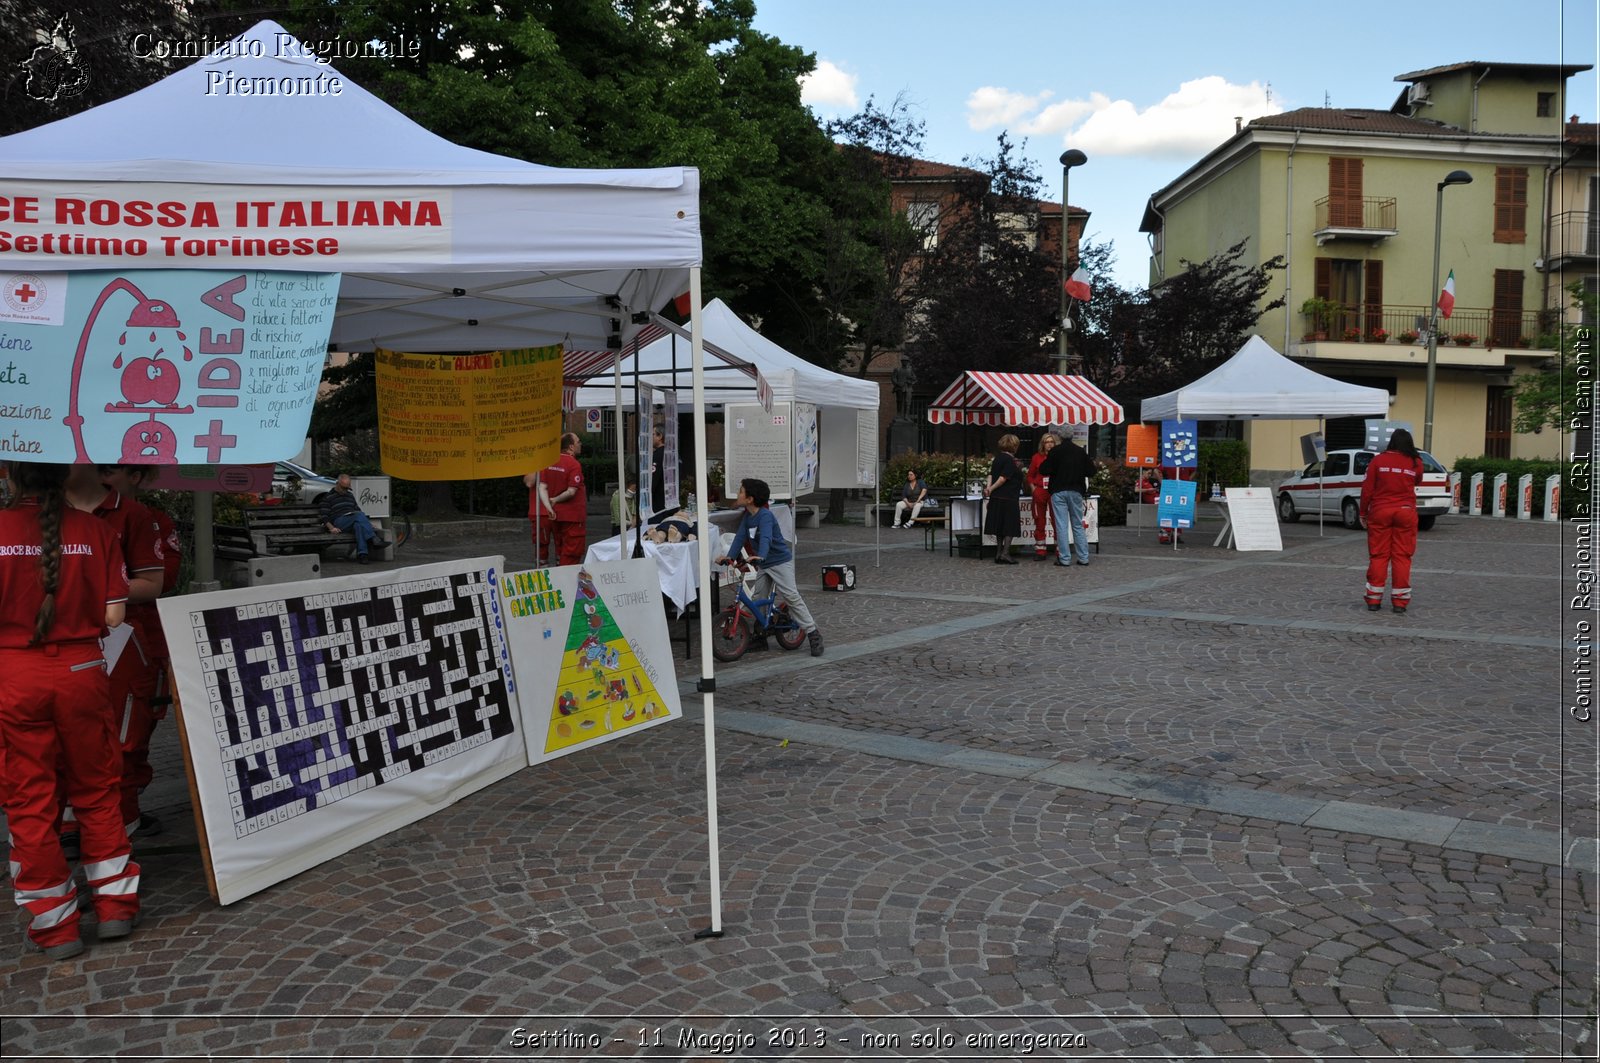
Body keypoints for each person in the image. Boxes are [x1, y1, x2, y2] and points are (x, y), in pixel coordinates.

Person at [0, 462, 141, 959]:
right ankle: (115, 908)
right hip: (82, 670)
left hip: (13, 674)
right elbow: (114, 614)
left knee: (28, 800)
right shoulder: (95, 530)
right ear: (63, 478)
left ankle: (56, 927)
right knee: (97, 788)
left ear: (9, 476)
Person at [63, 464, 165, 843]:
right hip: (54, 648)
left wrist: (91, 595)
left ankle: (113, 840)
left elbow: (152, 582)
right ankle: (69, 828)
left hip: (117, 642)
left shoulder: (133, 515)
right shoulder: (37, 512)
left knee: (119, 741)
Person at [99, 464, 184, 838]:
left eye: (109, 471)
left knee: (134, 733)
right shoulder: (60, 516)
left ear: (134, 476)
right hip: (80, 644)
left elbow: (164, 578)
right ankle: (81, 823)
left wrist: (92, 586)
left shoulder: (149, 519)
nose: (100, 478)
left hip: (137, 641)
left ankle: (125, 814)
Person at [716, 478, 824, 657]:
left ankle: (813, 632)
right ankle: (760, 636)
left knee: (791, 595)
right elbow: (739, 538)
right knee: (759, 597)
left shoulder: (765, 516)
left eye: (741, 491)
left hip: (779, 561)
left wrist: (761, 556)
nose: (738, 494)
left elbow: (766, 537)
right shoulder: (747, 516)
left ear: (750, 499)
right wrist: (729, 557)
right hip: (764, 563)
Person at [1360, 428, 1423, 613]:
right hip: (1405, 512)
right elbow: (1417, 482)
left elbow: (1367, 489)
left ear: (1391, 442)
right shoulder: (1415, 462)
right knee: (1402, 556)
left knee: (1379, 555)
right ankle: (1399, 602)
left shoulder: (1378, 460)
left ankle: (1373, 599)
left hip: (1380, 512)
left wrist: (1363, 513)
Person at [526, 433, 586, 566]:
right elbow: (530, 482)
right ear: (570, 447)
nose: (580, 444)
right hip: (551, 513)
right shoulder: (565, 463)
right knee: (560, 549)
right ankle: (552, 574)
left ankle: (554, 572)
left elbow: (545, 487)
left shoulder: (556, 462)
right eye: (578, 441)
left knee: (561, 547)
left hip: (555, 512)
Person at [1040, 433, 1093, 566]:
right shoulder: (1080, 451)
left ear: (1061, 437)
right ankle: (1083, 557)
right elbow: (1091, 471)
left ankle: (1064, 558)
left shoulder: (1055, 452)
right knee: (1077, 525)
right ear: (1072, 436)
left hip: (1058, 491)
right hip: (1076, 490)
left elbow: (1043, 469)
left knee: (1061, 525)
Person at [318, 474, 386, 564]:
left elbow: (357, 509)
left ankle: (363, 555)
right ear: (337, 484)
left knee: (359, 526)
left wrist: (367, 524)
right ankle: (373, 538)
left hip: (354, 519)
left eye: (347, 488)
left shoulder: (350, 495)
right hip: (339, 522)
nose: (345, 490)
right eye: (343, 488)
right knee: (359, 515)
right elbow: (324, 516)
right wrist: (331, 528)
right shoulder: (328, 497)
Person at [982, 434, 1024, 564]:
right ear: (1014, 446)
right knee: (1009, 526)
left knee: (999, 526)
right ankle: (1005, 553)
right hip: (1008, 497)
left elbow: (991, 475)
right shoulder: (1010, 460)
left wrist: (989, 488)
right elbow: (1003, 478)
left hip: (996, 498)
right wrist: (992, 488)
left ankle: (998, 553)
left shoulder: (998, 458)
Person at [1027, 434, 1059, 559]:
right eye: (1047, 442)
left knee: (1056, 521)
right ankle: (1040, 551)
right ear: (1043, 444)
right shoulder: (1036, 458)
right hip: (1040, 491)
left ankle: (1059, 550)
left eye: (1051, 442)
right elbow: (1030, 476)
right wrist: (1033, 489)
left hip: (1054, 491)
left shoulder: (1058, 457)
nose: (1050, 444)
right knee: (1039, 521)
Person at [649, 426, 668, 511]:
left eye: (652, 434)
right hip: (671, 502)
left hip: (658, 505)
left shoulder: (657, 455)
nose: (650, 437)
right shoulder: (672, 454)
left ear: (660, 436)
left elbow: (652, 481)